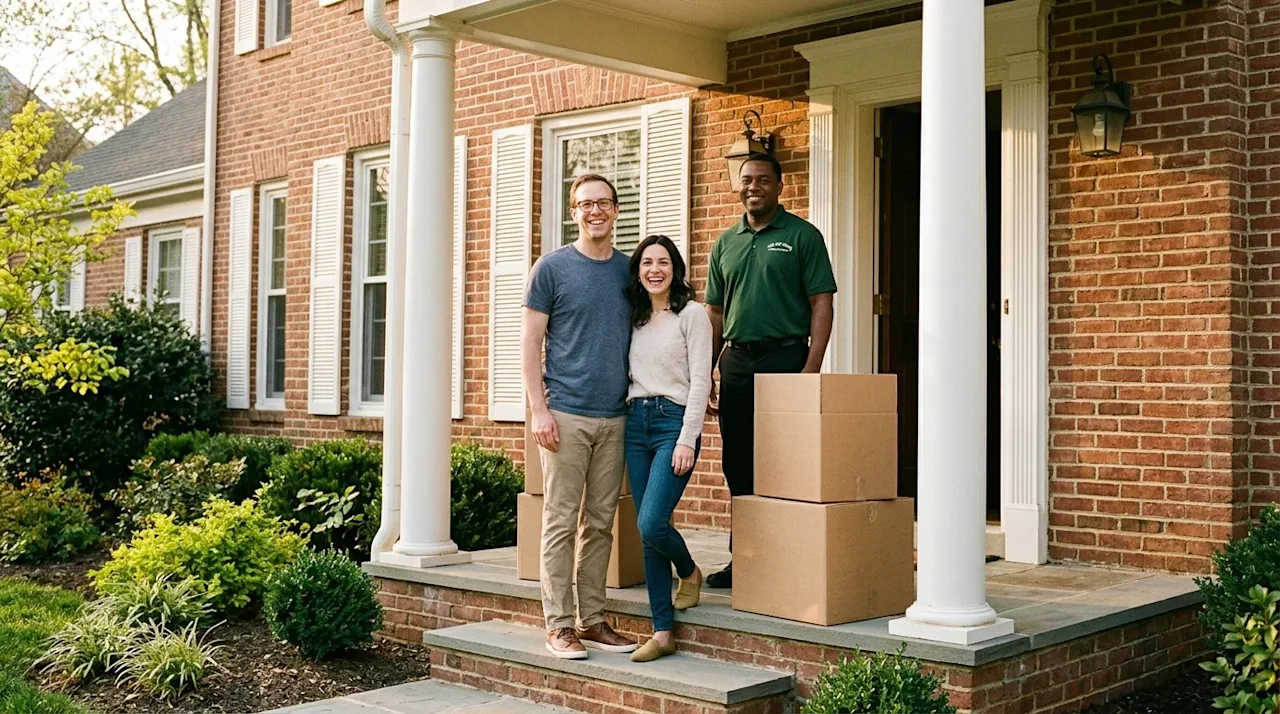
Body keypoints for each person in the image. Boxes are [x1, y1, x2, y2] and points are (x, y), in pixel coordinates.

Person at [704, 152, 837, 589]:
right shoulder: (726, 242)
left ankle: (788, 560)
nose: (753, 187)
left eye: (763, 179)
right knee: (737, 463)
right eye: (746, 180)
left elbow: (822, 303)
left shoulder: (803, 236)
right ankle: (745, 559)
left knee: (784, 462)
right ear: (737, 186)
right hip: (737, 362)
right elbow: (715, 313)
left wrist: (811, 369)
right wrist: (706, 370)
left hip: (786, 360)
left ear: (780, 186)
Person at [522, 173, 639, 659]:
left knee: (601, 522)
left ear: (616, 211)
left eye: (604, 203)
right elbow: (530, 341)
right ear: (573, 212)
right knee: (560, 519)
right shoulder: (551, 269)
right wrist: (539, 410)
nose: (596, 211)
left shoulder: (628, 272)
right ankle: (560, 624)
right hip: (565, 414)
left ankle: (592, 619)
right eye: (586, 204)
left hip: (616, 415)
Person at [621, 234, 713, 663]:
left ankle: (690, 571)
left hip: (672, 422)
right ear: (638, 272)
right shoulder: (635, 317)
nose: (654, 269)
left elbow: (701, 382)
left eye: (662, 262)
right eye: (646, 263)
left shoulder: (691, 315)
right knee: (646, 531)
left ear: (675, 268)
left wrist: (686, 438)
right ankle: (662, 632)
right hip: (635, 422)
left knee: (652, 522)